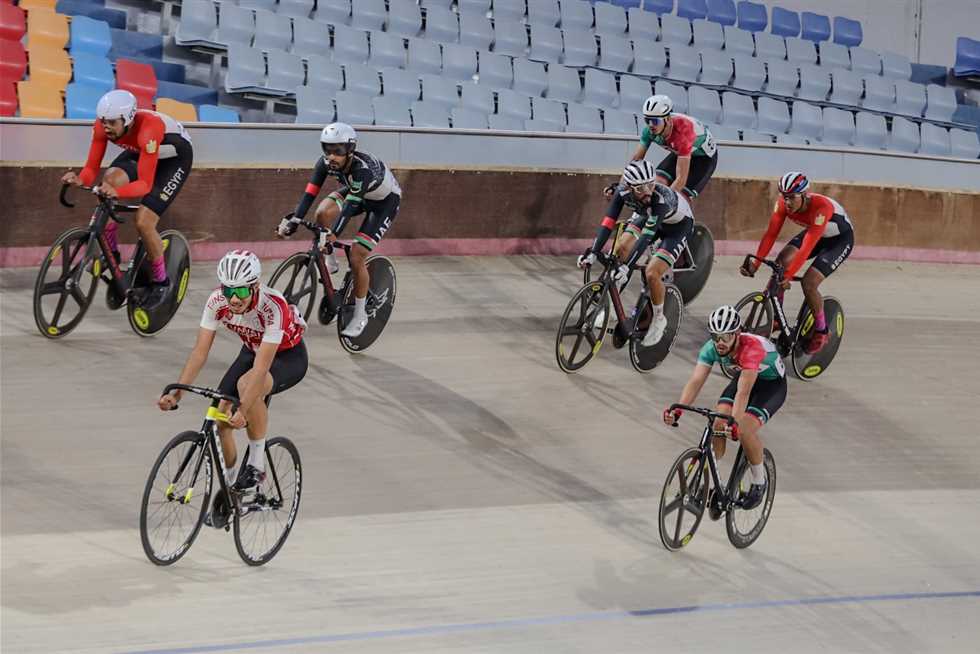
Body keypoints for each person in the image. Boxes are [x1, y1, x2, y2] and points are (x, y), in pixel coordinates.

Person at [157, 251, 308, 517]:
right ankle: (231, 493)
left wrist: (244, 409)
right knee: (219, 419)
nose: (234, 299)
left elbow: (261, 368)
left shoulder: (273, 307)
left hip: (287, 356)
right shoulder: (218, 301)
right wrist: (177, 393)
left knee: (247, 385)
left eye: (240, 291)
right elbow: (199, 353)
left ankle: (257, 466)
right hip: (251, 350)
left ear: (254, 286)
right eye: (228, 290)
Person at [61, 89, 193, 310]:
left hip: (174, 159)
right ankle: (110, 253)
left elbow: (144, 184)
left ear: (128, 119)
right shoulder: (104, 127)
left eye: (112, 122)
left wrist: (118, 194)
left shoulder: (148, 129)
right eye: (103, 121)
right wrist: (78, 179)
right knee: (108, 182)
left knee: (144, 220)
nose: (106, 127)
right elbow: (91, 169)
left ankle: (161, 282)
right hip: (143, 152)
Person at [276, 122, 401, 338]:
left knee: (356, 255)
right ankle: (330, 258)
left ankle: (360, 314)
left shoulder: (362, 169)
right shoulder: (324, 164)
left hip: (383, 203)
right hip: (356, 192)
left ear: (350, 150)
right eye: (327, 149)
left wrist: (332, 234)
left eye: (338, 151)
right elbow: (309, 195)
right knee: (321, 213)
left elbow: (351, 206)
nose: (331, 156)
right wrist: (294, 220)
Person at [664, 305, 787, 512]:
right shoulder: (711, 348)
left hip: (771, 386)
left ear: (737, 334)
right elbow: (696, 381)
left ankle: (759, 482)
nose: (720, 342)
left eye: (726, 336)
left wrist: (737, 424)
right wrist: (678, 409)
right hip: (745, 377)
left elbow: (743, 393)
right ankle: (712, 478)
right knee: (719, 422)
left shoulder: (751, 349)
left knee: (745, 429)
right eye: (715, 336)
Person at [578, 160, 695, 347]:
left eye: (651, 184)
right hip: (648, 215)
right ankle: (611, 306)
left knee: (652, 272)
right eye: (641, 188)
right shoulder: (623, 192)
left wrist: (626, 266)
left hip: (677, 228)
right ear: (630, 188)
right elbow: (608, 222)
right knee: (621, 248)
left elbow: (646, 237)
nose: (648, 191)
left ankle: (658, 319)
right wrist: (593, 251)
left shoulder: (659, 198)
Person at [741, 172, 854, 354]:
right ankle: (777, 318)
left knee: (809, 283)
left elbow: (807, 248)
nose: (787, 202)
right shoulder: (783, 205)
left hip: (838, 241)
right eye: (784, 197)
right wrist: (755, 264)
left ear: (804, 195)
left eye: (792, 198)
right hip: (817, 234)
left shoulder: (821, 207)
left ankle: (822, 330)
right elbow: (771, 234)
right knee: (781, 262)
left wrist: (788, 276)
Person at [605, 94, 718, 204]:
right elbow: (634, 163)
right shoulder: (648, 131)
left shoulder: (683, 132)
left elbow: (681, 179)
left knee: (680, 198)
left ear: (667, 119)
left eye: (655, 121)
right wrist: (620, 188)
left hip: (703, 160)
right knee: (657, 183)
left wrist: (662, 206)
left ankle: (683, 222)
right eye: (647, 120)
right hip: (681, 153)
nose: (650, 125)